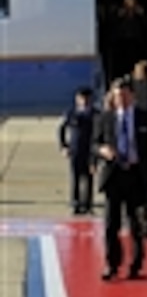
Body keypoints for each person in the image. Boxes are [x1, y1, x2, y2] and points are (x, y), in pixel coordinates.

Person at [92, 77, 147, 280]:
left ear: (132, 96)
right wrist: (101, 150)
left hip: (136, 175)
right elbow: (94, 144)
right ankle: (112, 264)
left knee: (136, 224)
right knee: (111, 224)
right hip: (114, 175)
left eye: (124, 95)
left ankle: (136, 264)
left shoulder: (146, 118)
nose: (120, 99)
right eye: (116, 95)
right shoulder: (105, 118)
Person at [58, 86, 98, 215]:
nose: (84, 101)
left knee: (89, 178)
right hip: (75, 150)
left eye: (86, 98)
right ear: (76, 99)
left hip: (90, 150)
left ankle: (88, 204)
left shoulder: (96, 114)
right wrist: (63, 146)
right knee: (75, 177)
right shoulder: (71, 113)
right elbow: (61, 130)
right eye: (81, 98)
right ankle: (75, 203)